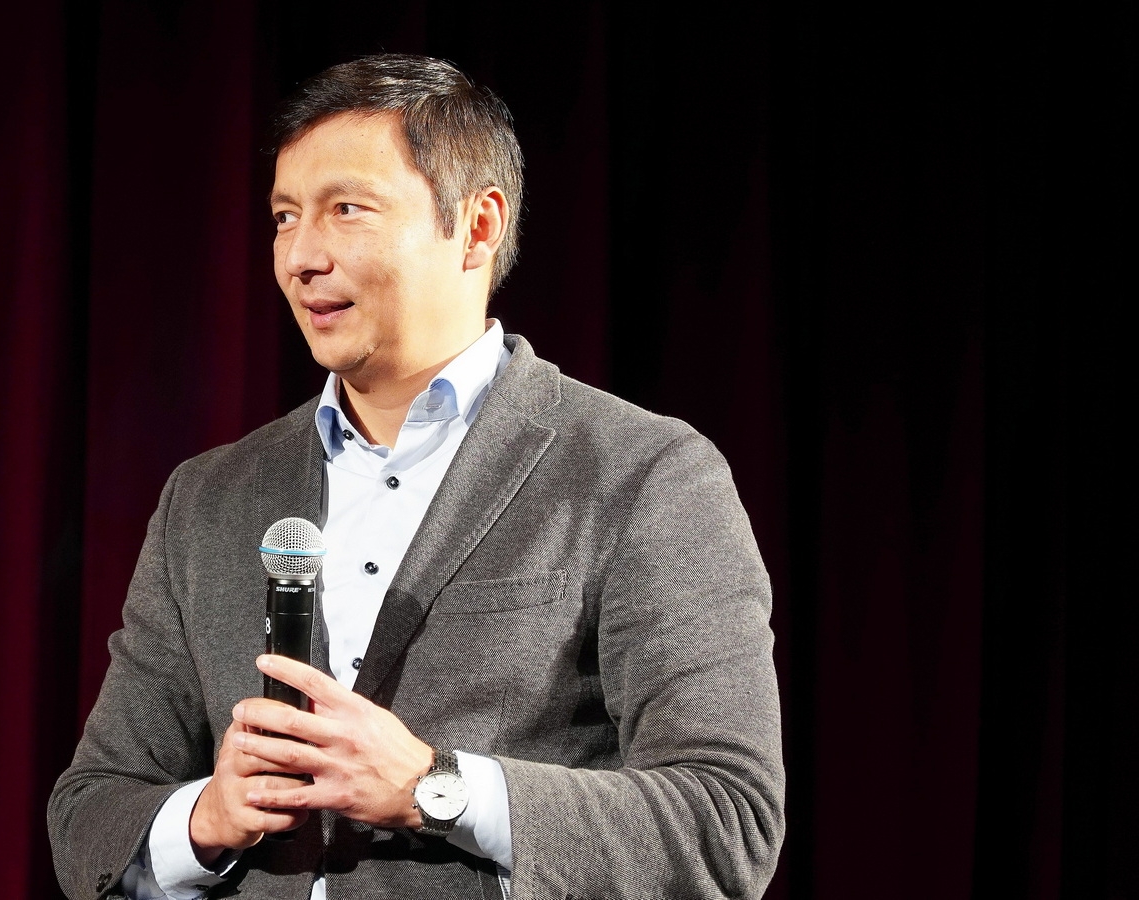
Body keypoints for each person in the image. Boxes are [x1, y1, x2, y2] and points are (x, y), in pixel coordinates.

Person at [49, 54, 783, 900]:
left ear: (476, 226)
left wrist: (436, 787)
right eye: (284, 217)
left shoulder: (640, 474)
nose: (300, 257)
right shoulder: (209, 497)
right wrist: (206, 817)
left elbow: (727, 823)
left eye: (346, 209)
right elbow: (88, 818)